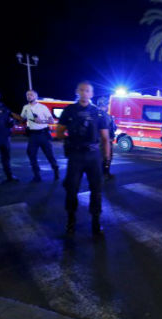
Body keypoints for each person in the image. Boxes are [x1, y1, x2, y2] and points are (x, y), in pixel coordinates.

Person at [56, 81, 111, 236]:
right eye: (82, 90)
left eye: (87, 91)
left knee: (97, 190)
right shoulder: (69, 110)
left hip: (93, 156)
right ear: (77, 91)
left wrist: (106, 160)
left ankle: (96, 222)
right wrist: (71, 139)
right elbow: (59, 132)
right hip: (76, 155)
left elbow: (105, 138)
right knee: (71, 189)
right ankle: (71, 221)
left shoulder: (98, 113)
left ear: (91, 94)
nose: (84, 93)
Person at [20, 90, 59, 182]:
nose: (29, 96)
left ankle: (56, 170)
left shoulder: (42, 107)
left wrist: (42, 121)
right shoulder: (25, 107)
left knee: (49, 155)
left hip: (43, 135)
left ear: (36, 96)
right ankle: (37, 175)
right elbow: (22, 118)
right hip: (32, 135)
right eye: (27, 95)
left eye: (31, 95)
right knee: (31, 155)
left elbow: (51, 121)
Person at [96, 96, 116, 180]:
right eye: (107, 104)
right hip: (105, 140)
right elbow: (112, 128)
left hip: (97, 140)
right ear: (105, 105)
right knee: (107, 157)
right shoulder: (106, 116)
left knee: (99, 157)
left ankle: (100, 174)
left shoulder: (94, 113)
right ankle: (106, 173)